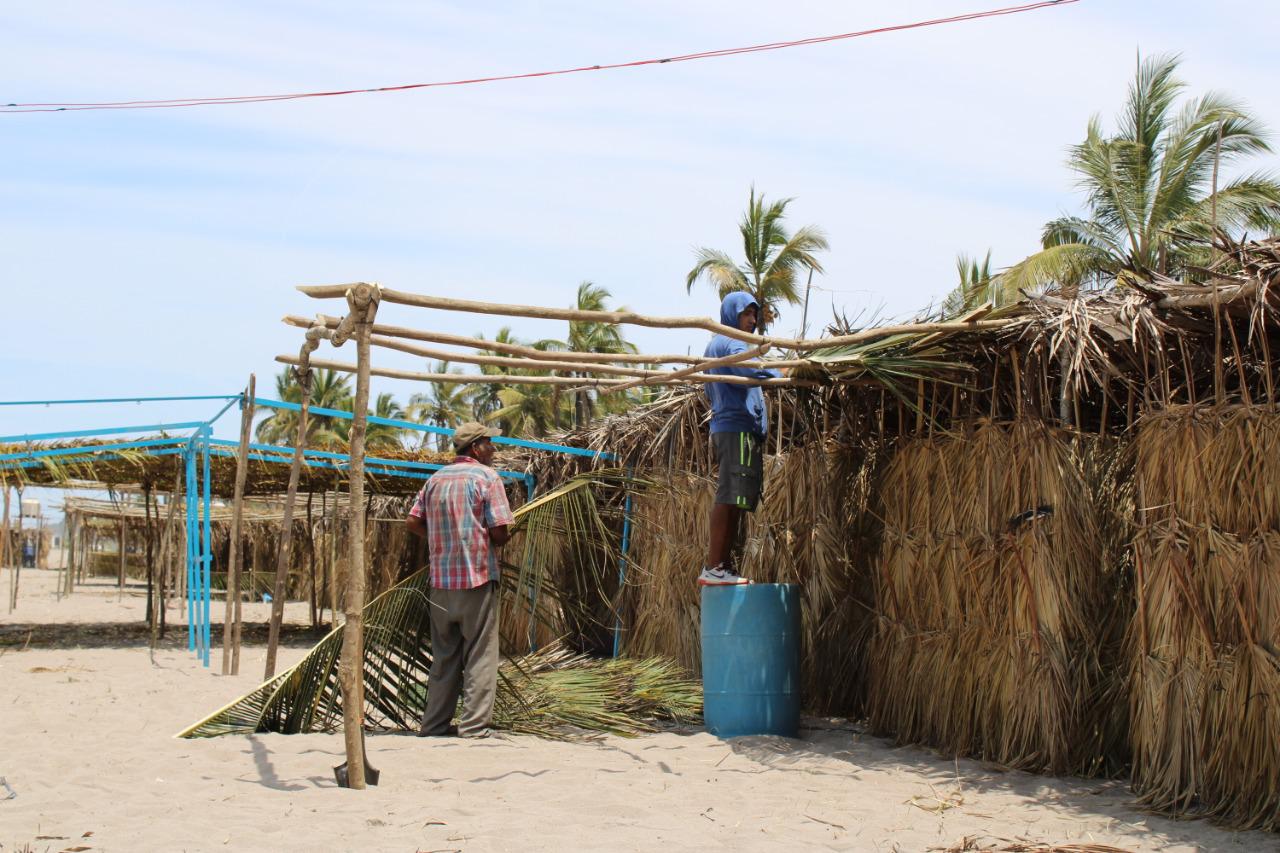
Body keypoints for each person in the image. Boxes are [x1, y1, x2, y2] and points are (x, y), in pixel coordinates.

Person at [406, 421, 514, 738]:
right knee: (480, 655)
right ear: (476, 447)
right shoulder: (486, 478)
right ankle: (474, 727)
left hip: (440, 584)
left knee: (444, 657)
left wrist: (438, 541)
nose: (493, 448)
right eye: (490, 443)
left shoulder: (435, 480)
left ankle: (434, 725)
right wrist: (499, 534)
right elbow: (499, 533)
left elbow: (412, 522)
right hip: (476, 579)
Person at [698, 291, 782, 586]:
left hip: (732, 427)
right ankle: (713, 567)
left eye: (753, 315)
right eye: (746, 313)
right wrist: (780, 370)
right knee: (728, 496)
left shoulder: (717, 345)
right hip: (735, 428)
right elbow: (749, 369)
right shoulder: (729, 342)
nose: (751, 320)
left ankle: (721, 567)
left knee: (734, 497)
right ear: (732, 313)